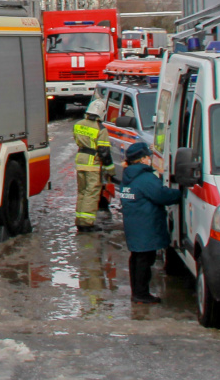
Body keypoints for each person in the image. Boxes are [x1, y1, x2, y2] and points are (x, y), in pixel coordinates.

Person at [118, 141, 183, 304]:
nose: (149, 159)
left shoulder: (128, 177)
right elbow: (161, 195)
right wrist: (178, 194)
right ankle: (141, 294)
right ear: (142, 159)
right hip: (146, 226)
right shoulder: (145, 178)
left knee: (137, 258)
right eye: (148, 157)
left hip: (133, 224)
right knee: (144, 260)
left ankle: (137, 292)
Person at [72, 98, 112, 232]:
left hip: (80, 161)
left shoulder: (78, 124)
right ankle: (87, 224)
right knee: (92, 192)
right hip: (92, 164)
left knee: (82, 191)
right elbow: (104, 152)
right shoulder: (101, 129)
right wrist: (110, 169)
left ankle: (80, 220)